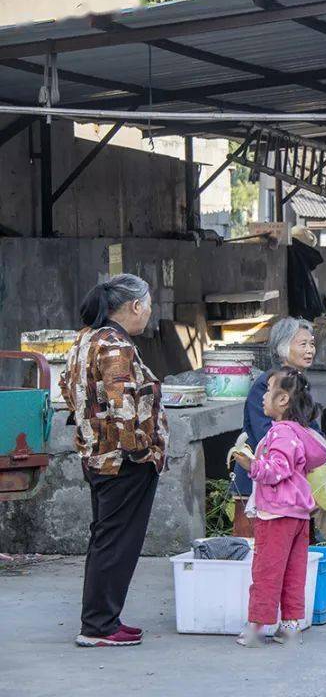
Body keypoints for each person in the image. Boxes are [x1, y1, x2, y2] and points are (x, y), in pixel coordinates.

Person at [61, 274, 168, 647]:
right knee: (117, 541)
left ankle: (102, 619)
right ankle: (99, 626)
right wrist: (141, 451)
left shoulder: (85, 338)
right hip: (122, 461)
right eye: (148, 306)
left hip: (97, 456)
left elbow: (66, 387)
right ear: (135, 306)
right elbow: (123, 405)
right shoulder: (114, 344)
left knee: (106, 538)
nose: (149, 314)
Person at [231, 368, 326, 647]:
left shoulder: (281, 434)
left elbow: (277, 469)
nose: (263, 396)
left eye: (268, 390)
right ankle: (289, 626)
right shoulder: (299, 433)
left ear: (283, 400)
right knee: (293, 571)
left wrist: (249, 464)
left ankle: (256, 627)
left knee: (266, 571)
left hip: (276, 513)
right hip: (298, 515)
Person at [233, 318, 319, 536]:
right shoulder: (266, 384)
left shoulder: (300, 384)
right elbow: (268, 436)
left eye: (311, 344)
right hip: (259, 484)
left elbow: (315, 431)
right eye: (303, 344)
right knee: (256, 551)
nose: (310, 350)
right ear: (283, 348)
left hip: (290, 484)